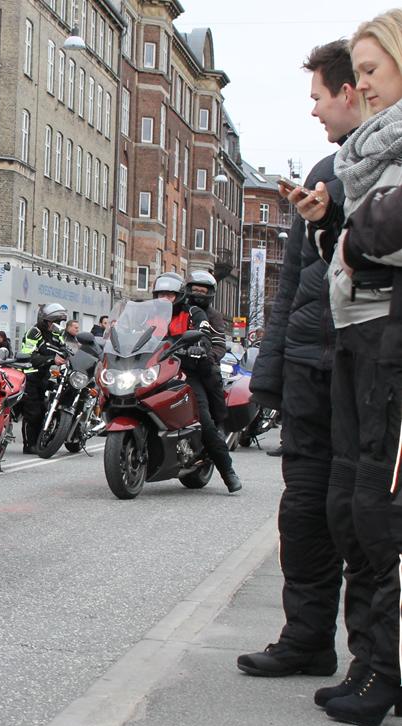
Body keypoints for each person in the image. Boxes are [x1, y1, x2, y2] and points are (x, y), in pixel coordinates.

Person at [238, 39, 370, 688]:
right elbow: (289, 287)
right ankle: (307, 640)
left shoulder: (380, 172)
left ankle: (375, 660)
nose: (314, 108)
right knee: (303, 513)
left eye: (319, 95)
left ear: (351, 92)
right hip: (307, 377)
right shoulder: (323, 168)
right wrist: (269, 377)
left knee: (358, 518)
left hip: (356, 373)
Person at [293, 10, 402, 726]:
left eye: (369, 70)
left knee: (376, 509)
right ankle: (371, 662)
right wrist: (333, 221)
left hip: (388, 337)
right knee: (355, 506)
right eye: (356, 73)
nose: (358, 86)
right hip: (358, 332)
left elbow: (389, 228)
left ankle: (382, 670)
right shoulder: (368, 150)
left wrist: (354, 235)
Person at [151, 272, 242, 493]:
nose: (165, 298)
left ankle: (227, 470)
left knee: (204, 418)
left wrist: (201, 349)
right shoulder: (151, 314)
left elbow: (207, 336)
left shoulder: (196, 313)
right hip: (158, 369)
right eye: (161, 294)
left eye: (170, 294)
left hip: (192, 369)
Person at [17, 303, 68, 454]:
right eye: (53, 322)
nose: (55, 325)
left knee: (47, 407)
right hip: (30, 374)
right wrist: (53, 359)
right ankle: (29, 444)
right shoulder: (34, 333)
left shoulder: (57, 334)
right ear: (44, 320)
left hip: (46, 376)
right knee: (33, 412)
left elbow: (66, 349)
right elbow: (29, 356)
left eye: (58, 322)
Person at [185, 271, 230, 425]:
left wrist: (208, 356)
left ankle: (219, 422)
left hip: (203, 363)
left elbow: (219, 344)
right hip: (178, 360)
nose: (198, 294)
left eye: (203, 291)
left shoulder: (214, 316)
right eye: (196, 290)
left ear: (210, 294)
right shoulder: (181, 310)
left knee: (213, 379)